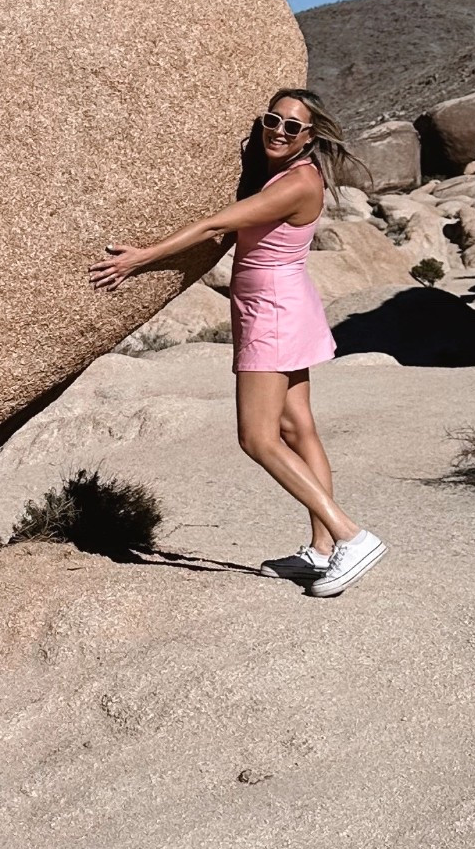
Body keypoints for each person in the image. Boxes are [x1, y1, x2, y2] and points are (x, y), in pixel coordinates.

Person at [88, 88, 386, 597]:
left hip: (271, 314)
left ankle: (349, 536)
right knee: (298, 427)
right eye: (274, 120)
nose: (279, 131)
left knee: (258, 438)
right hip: (283, 308)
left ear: (310, 137)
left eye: (294, 126)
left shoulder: (295, 183)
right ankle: (320, 550)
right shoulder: (292, 174)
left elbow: (215, 223)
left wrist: (141, 258)